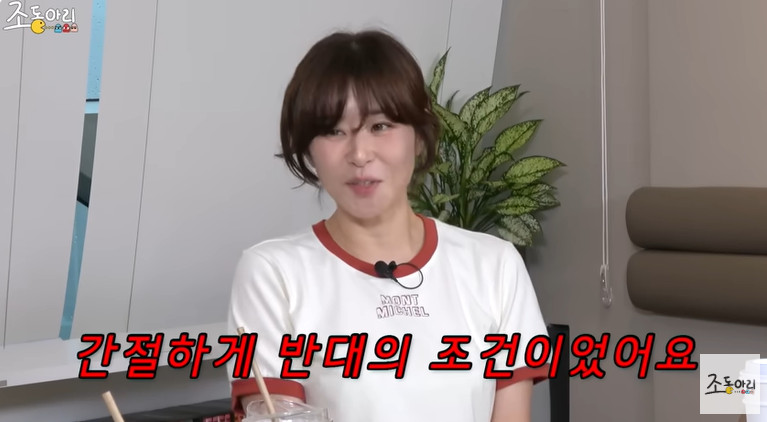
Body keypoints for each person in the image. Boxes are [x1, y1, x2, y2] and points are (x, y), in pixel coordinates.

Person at [227, 28, 550, 422]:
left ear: (418, 136)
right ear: (308, 147)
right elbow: (275, 413)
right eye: (333, 131)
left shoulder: (494, 265)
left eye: (380, 126)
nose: (360, 154)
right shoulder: (272, 274)